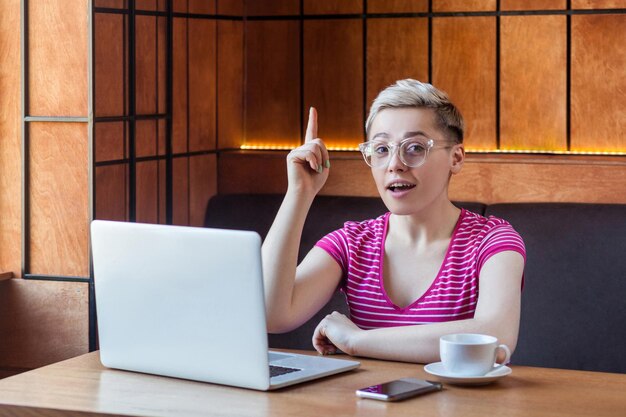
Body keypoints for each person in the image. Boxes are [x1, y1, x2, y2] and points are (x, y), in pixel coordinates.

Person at [262, 79, 525, 364]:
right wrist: (300, 193)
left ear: (456, 158)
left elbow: (495, 337)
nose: (395, 164)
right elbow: (270, 315)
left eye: (414, 148)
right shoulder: (352, 243)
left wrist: (357, 340)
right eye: (382, 149)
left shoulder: (494, 240)